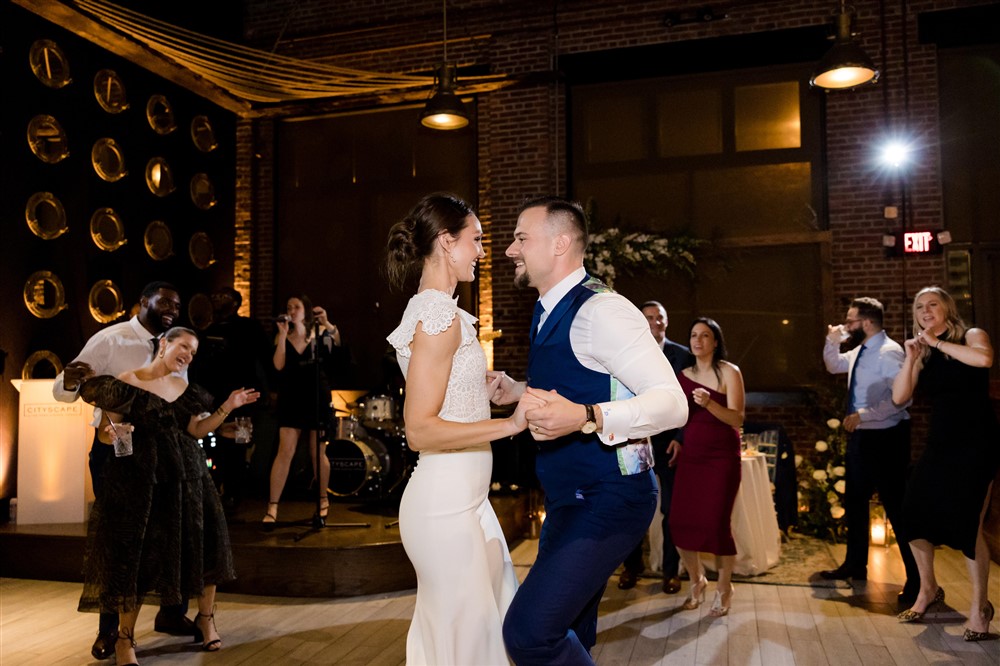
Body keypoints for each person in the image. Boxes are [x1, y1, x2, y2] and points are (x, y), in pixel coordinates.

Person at [490, 196, 688, 665]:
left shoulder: (604, 311)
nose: (510, 251)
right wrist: (517, 390)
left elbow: (672, 403)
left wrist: (587, 416)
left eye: (521, 238)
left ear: (560, 243)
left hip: (612, 496)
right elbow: (580, 382)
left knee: (529, 633)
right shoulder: (545, 310)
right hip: (569, 497)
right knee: (571, 628)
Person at [384, 192, 537, 664]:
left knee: (490, 627)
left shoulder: (441, 313)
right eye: (477, 240)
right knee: (466, 643)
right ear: (447, 243)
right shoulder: (438, 319)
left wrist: (481, 386)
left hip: (468, 501)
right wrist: (509, 424)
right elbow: (420, 433)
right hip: (443, 507)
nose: (483, 251)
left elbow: (448, 396)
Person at [77, 327, 259, 665]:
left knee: (204, 548)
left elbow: (195, 430)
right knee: (134, 559)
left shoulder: (184, 388)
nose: (188, 355)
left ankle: (206, 619)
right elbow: (105, 435)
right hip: (141, 482)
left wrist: (227, 407)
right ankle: (124, 640)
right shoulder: (126, 382)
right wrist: (115, 432)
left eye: (193, 352)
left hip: (189, 478)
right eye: (184, 347)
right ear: (164, 343)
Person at [51, 281, 196, 660]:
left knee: (168, 533)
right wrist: (69, 382)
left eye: (177, 304)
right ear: (142, 301)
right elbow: (64, 387)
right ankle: (109, 630)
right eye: (165, 301)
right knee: (119, 541)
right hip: (116, 453)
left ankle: (171, 613)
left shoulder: (177, 343)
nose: (172, 309)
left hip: (164, 455)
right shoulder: (111, 340)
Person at [892, 286, 999, 640]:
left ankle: (979, 609)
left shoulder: (971, 335)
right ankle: (928, 590)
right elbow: (899, 397)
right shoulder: (923, 352)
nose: (925, 310)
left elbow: (983, 360)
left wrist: (936, 343)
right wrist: (911, 356)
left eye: (932, 304)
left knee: (968, 525)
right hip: (940, 443)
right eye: (919, 306)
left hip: (977, 443)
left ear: (947, 308)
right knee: (912, 516)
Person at [818, 297, 920, 607]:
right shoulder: (861, 351)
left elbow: (903, 400)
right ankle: (855, 565)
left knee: (896, 508)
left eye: (849, 321)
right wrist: (832, 341)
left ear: (866, 322)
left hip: (887, 438)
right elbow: (834, 365)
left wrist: (865, 415)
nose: (846, 325)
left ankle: (916, 580)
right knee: (856, 502)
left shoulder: (890, 354)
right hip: (862, 439)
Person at [668, 317, 745, 618]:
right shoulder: (682, 375)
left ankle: (724, 586)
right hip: (692, 457)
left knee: (716, 525)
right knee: (679, 522)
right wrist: (678, 440)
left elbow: (737, 418)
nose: (698, 341)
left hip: (722, 457)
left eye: (705, 336)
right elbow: (679, 416)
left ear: (715, 341)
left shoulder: (729, 371)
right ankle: (696, 580)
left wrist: (711, 403)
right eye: (693, 336)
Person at [618, 300, 693, 594]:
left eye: (659, 317)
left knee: (671, 510)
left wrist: (682, 438)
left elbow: (689, 401)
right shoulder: (627, 352)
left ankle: (671, 572)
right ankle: (631, 567)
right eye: (648, 317)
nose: (654, 322)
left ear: (666, 321)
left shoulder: (683, 356)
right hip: (637, 440)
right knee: (635, 505)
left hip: (669, 443)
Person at [191, 286, 273, 513]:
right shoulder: (206, 327)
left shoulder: (249, 327)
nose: (216, 298)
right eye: (215, 295)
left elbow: (265, 359)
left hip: (243, 396)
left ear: (235, 303)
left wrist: (267, 392)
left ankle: (235, 494)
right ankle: (213, 490)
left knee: (239, 443)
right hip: (212, 397)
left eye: (222, 296)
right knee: (212, 444)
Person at [263, 294, 342, 525]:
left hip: (316, 396)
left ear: (305, 310)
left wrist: (327, 323)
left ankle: (323, 499)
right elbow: (278, 366)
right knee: (285, 450)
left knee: (317, 452)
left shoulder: (318, 333)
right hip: (292, 398)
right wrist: (282, 334)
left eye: (296, 306)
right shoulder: (282, 335)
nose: (291, 310)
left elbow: (337, 345)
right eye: (288, 306)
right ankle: (272, 506)